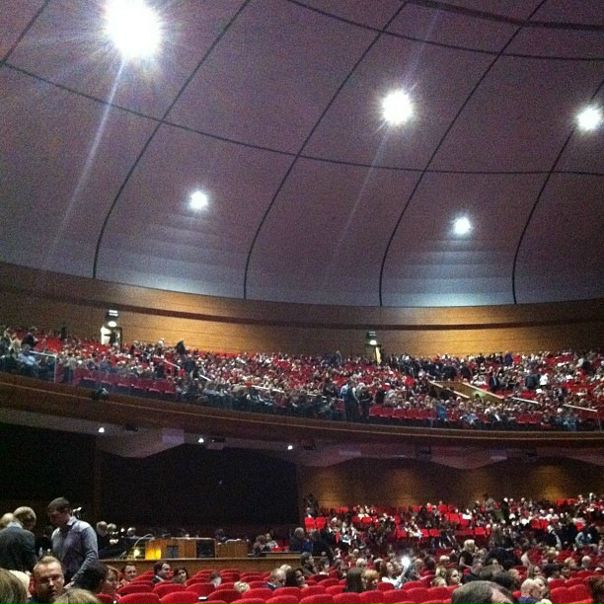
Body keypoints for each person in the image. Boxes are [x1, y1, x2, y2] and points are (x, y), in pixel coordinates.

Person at [47, 498, 98, 585]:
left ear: (66, 511)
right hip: (63, 581)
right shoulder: (55, 534)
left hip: (82, 582)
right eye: (50, 517)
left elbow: (92, 557)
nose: (51, 520)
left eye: (54, 516)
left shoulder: (83, 528)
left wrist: (75, 580)